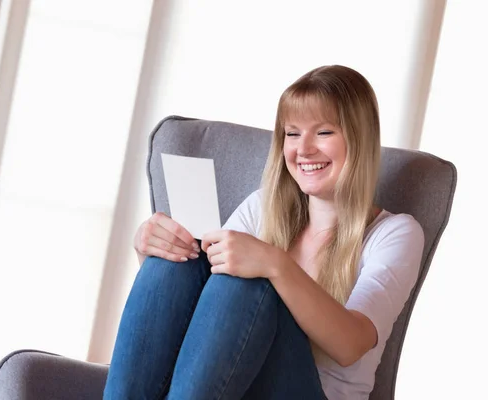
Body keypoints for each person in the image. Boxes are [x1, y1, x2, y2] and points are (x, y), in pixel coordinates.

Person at [103, 65, 425, 400]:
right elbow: (202, 307)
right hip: (237, 386)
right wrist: (155, 249)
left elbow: (351, 345)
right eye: (293, 133)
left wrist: (275, 264)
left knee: (247, 281)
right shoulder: (263, 207)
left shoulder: (395, 233)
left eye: (324, 132)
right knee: (181, 260)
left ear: (360, 139)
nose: (304, 149)